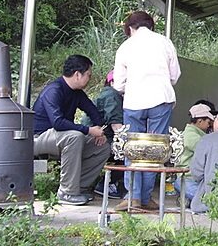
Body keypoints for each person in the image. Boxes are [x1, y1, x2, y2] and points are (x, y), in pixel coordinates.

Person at [113, 11, 181, 211]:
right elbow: (175, 75)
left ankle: (132, 197)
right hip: (161, 99)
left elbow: (118, 84)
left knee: (133, 148)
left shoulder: (126, 46)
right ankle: (146, 198)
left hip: (134, 102)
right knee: (155, 150)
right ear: (150, 26)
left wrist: (132, 88)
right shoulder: (165, 42)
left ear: (131, 28)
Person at [33, 55, 111, 206]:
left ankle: (77, 188)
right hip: (39, 138)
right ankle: (67, 192)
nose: (90, 78)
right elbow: (58, 122)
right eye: (88, 74)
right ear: (77, 74)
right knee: (74, 136)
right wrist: (88, 130)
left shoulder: (77, 93)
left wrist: (99, 130)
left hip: (61, 137)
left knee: (102, 147)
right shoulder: (54, 90)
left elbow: (92, 111)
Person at [81, 69, 125, 199]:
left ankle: (109, 182)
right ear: (112, 82)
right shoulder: (112, 95)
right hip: (95, 139)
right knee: (129, 153)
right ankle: (107, 184)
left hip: (94, 137)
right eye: (124, 80)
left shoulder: (110, 94)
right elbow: (117, 127)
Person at [174, 102, 215, 202]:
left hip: (199, 180)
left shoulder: (198, 134)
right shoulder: (191, 135)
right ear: (200, 121)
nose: (210, 126)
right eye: (209, 123)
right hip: (187, 179)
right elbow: (207, 151)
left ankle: (187, 199)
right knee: (207, 200)